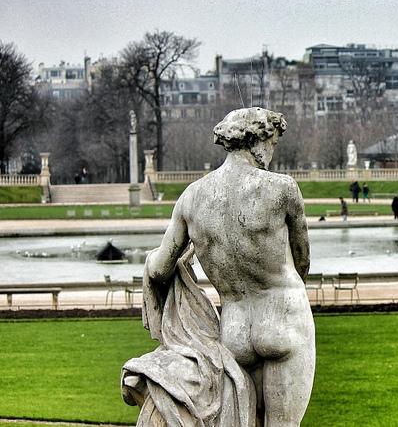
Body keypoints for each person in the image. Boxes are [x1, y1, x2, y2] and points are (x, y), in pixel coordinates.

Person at [135, 107, 314, 425]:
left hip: (234, 332)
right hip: (284, 317)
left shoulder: (192, 197)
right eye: (272, 144)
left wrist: (152, 261)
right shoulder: (282, 189)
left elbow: (160, 268)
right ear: (257, 140)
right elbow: (302, 261)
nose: (271, 153)